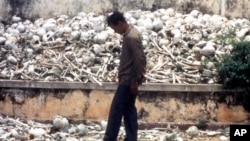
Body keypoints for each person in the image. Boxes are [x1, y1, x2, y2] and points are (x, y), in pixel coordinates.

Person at [104, 11, 146, 141]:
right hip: (129, 79)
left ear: (120, 23)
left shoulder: (131, 37)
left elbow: (139, 60)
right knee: (129, 110)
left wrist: (134, 81)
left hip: (128, 80)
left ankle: (109, 138)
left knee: (116, 111)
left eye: (114, 28)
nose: (115, 31)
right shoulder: (131, 34)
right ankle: (131, 138)